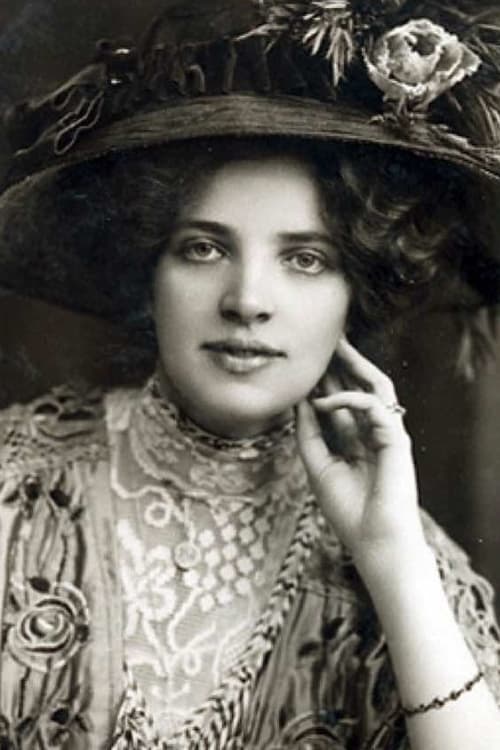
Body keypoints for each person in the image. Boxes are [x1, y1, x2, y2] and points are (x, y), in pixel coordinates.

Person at [0, 1, 499, 748]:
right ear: (150, 272)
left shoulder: (406, 557)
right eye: (204, 248)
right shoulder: (15, 488)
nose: (247, 301)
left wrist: (394, 559)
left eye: (306, 259)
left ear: (355, 294)